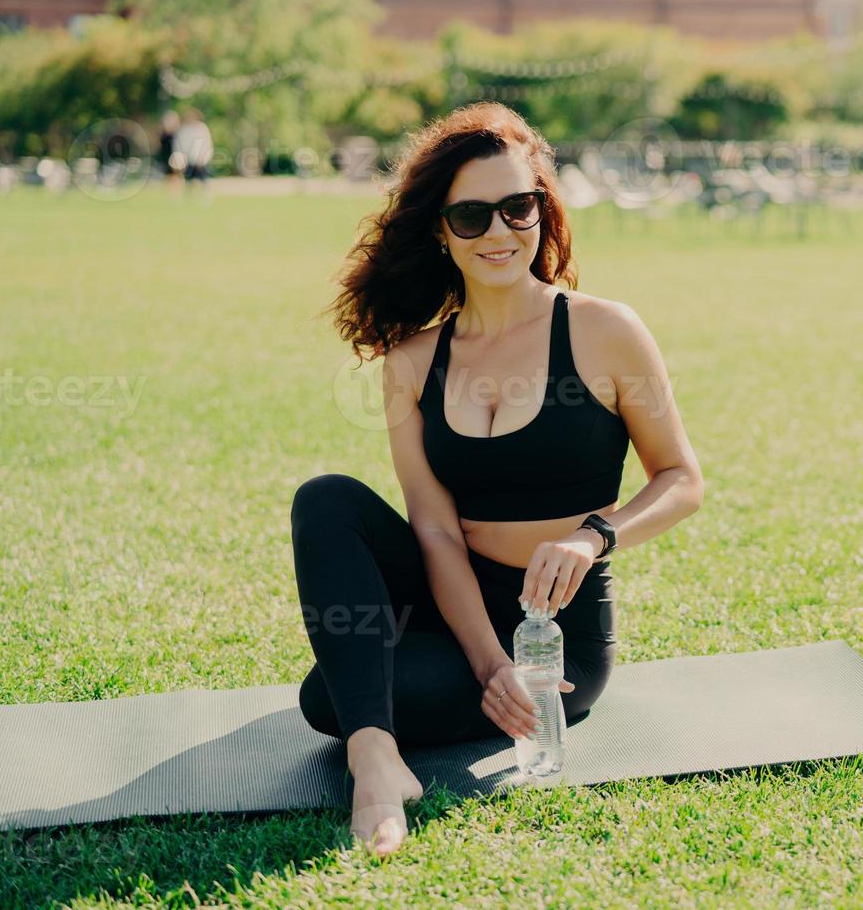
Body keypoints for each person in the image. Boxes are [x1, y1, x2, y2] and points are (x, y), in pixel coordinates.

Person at [291, 102, 704, 856]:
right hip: (454, 609)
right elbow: (435, 529)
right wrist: (488, 665)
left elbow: (681, 479)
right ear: (440, 233)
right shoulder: (412, 361)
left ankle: (372, 731)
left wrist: (592, 538)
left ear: (543, 212)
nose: (500, 233)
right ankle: (377, 763)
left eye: (518, 208)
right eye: (472, 217)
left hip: (556, 635)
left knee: (331, 697)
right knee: (326, 501)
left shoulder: (606, 330)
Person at [172, 108, 213, 203]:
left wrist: (203, 158)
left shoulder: (201, 128)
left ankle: (205, 198)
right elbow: (179, 145)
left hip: (200, 160)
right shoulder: (184, 129)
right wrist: (180, 159)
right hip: (188, 160)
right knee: (188, 180)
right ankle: (188, 199)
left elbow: (206, 144)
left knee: (204, 179)